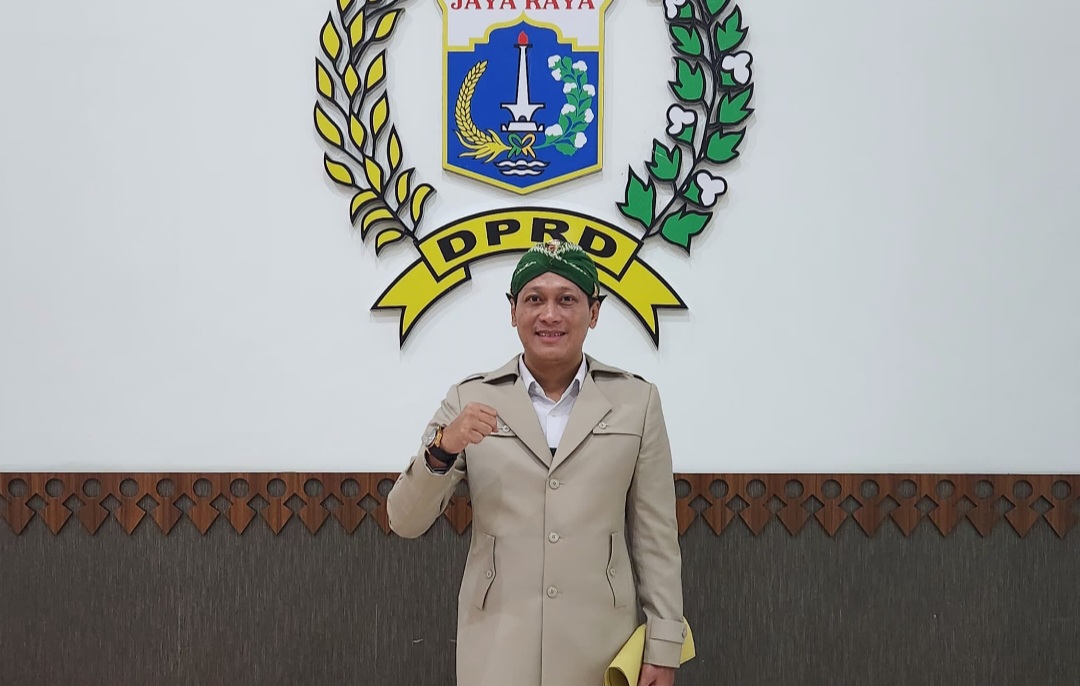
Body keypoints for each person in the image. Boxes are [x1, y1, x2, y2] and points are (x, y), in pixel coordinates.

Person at [387, 239, 686, 686]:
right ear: (513, 311)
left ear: (594, 312)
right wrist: (444, 446)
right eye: (534, 299)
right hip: (497, 643)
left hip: (600, 641)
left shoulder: (635, 401)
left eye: (566, 300)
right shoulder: (470, 398)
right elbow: (404, 520)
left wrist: (663, 648)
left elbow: (656, 536)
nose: (550, 315)